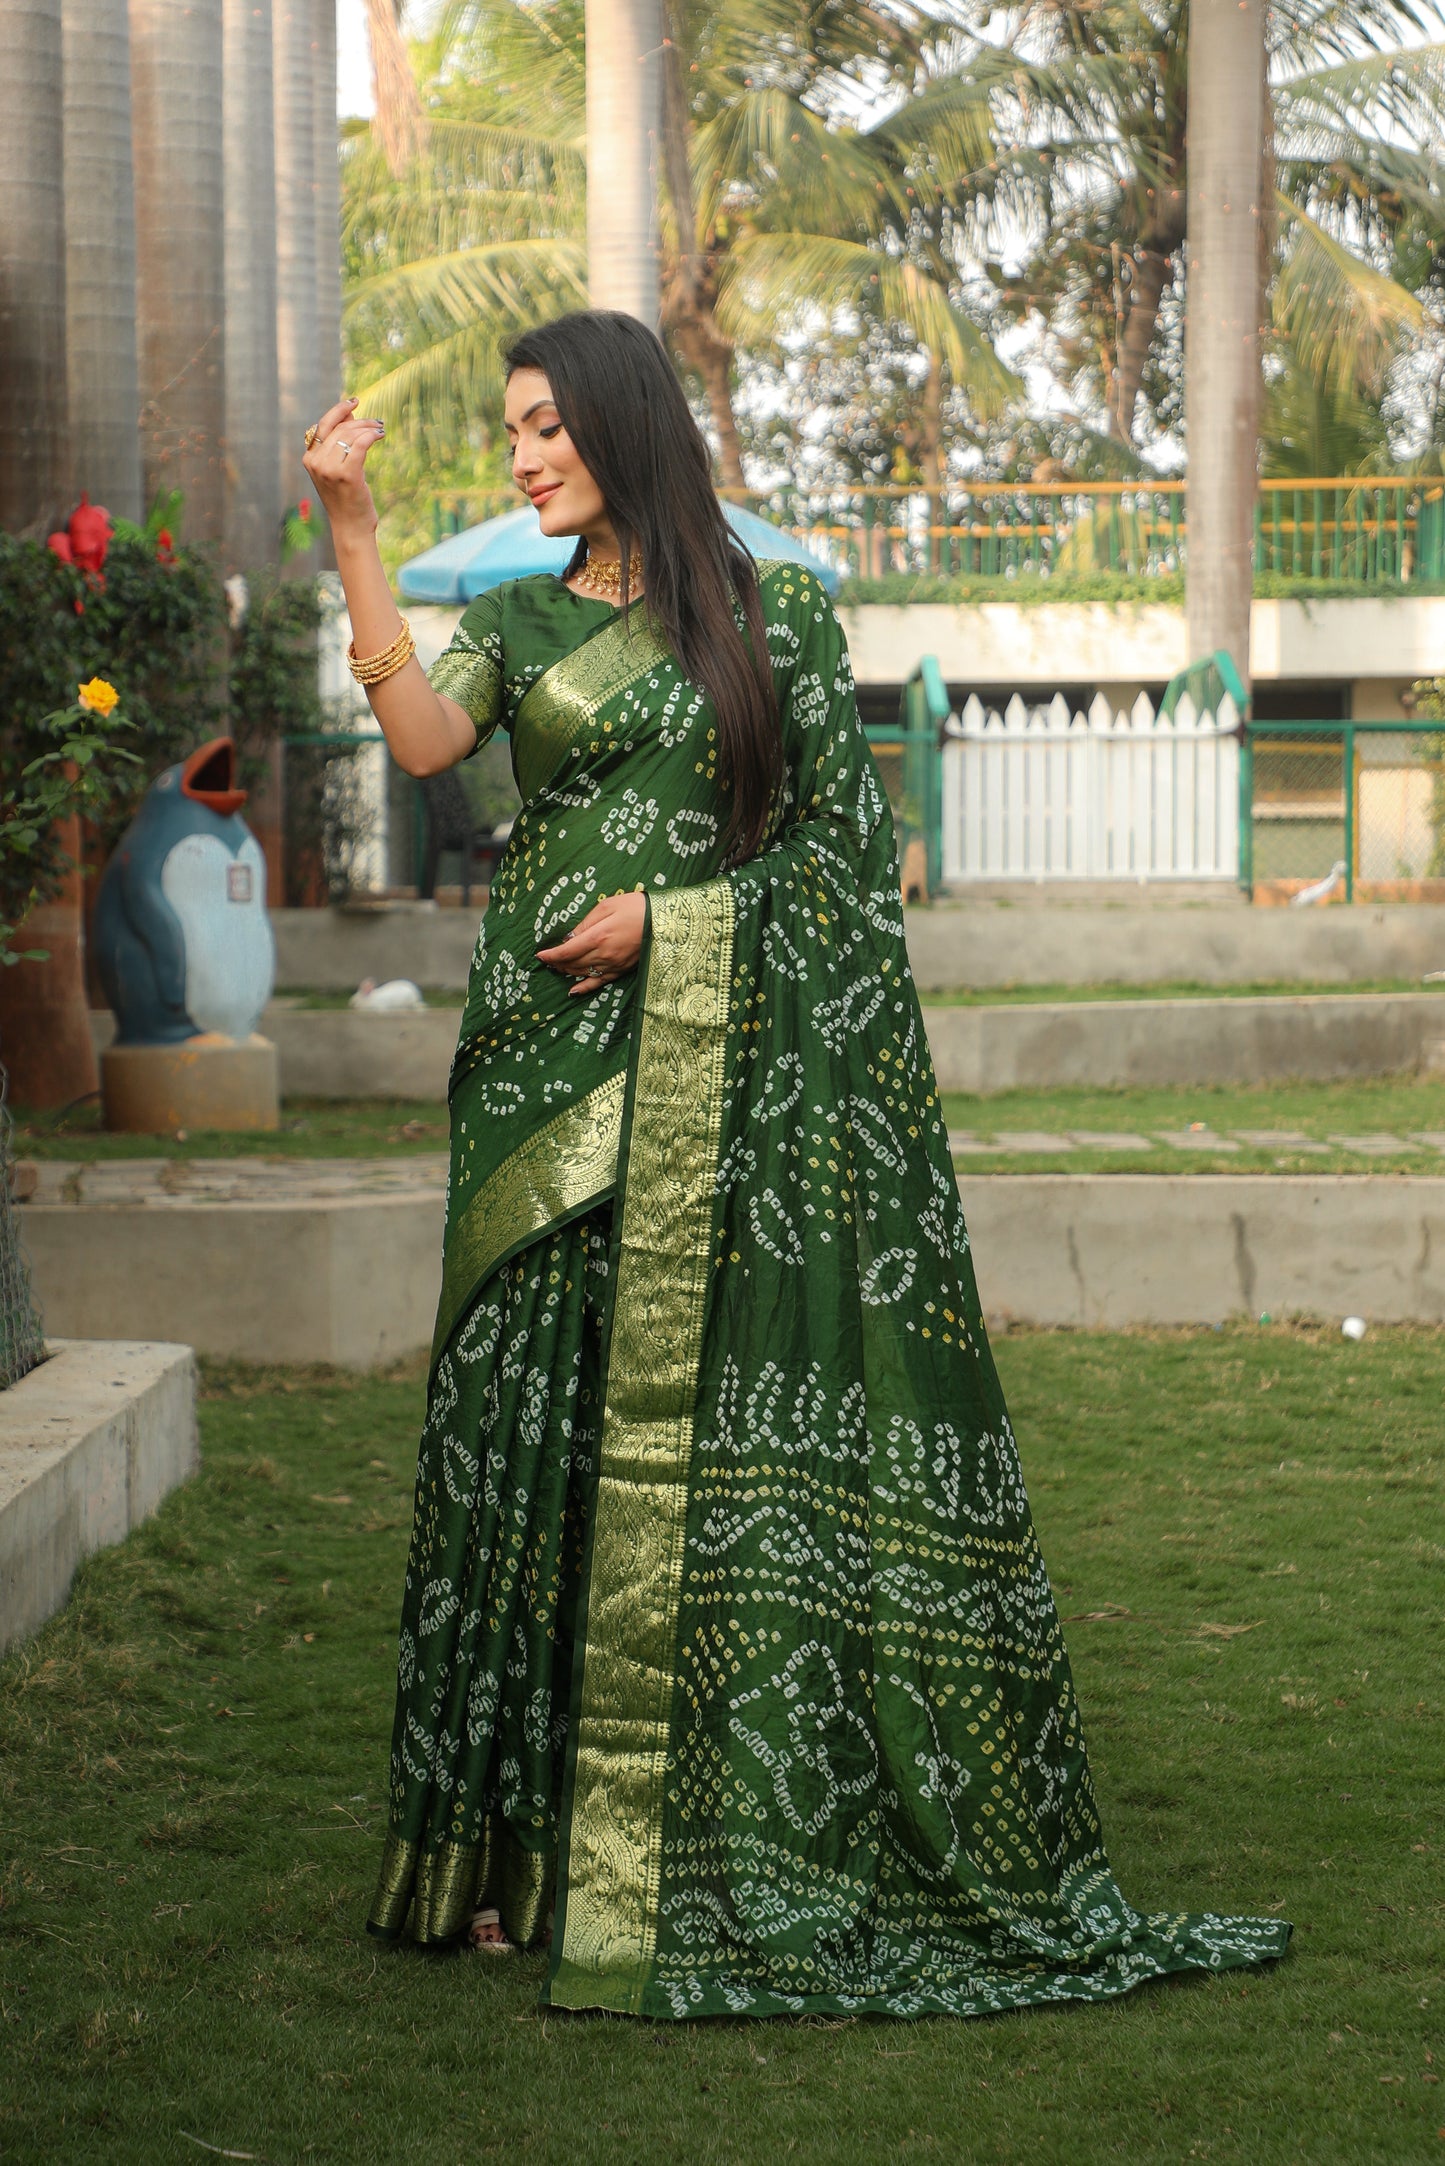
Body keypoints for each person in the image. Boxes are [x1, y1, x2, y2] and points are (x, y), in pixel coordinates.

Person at [303, 309, 1289, 2020]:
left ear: (618, 425)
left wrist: (672, 926)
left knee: (663, 1451)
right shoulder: (514, 619)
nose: (526, 457)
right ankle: (505, 1853)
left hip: (713, 1083)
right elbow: (424, 750)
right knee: (516, 1438)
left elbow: (841, 863)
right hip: (539, 1084)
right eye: (512, 432)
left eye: (545, 427)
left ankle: (683, 1827)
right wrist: (352, 529)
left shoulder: (778, 617)